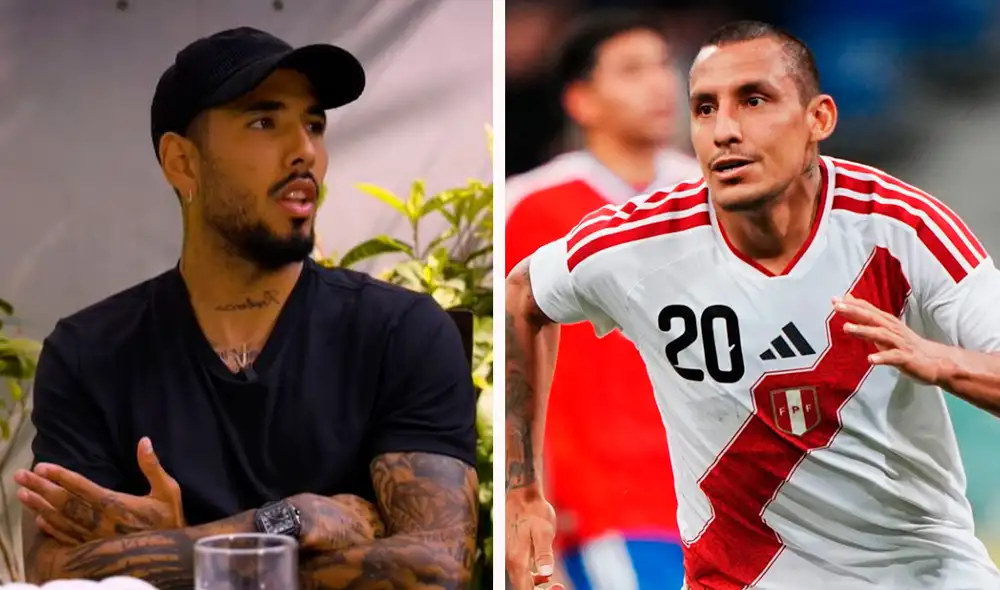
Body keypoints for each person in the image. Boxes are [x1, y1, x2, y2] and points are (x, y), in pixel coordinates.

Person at [506, 19, 1000, 590]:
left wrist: (943, 361)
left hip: (920, 569)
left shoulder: (902, 227)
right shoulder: (635, 239)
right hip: (727, 567)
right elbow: (523, 294)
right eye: (706, 109)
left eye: (754, 100)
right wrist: (524, 496)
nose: (725, 130)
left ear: (820, 118)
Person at [15, 27, 478, 588]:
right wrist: (289, 520)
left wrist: (170, 549)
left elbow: (436, 570)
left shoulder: (401, 332)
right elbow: (53, 574)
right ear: (182, 163)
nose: (304, 150)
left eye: (314, 125)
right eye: (264, 122)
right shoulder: (90, 352)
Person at [505, 11, 699, 590]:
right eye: (633, 70)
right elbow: (518, 369)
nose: (661, 85)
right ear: (582, 101)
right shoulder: (531, 208)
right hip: (609, 513)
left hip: (728, 510)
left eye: (664, 67)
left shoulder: (719, 199)